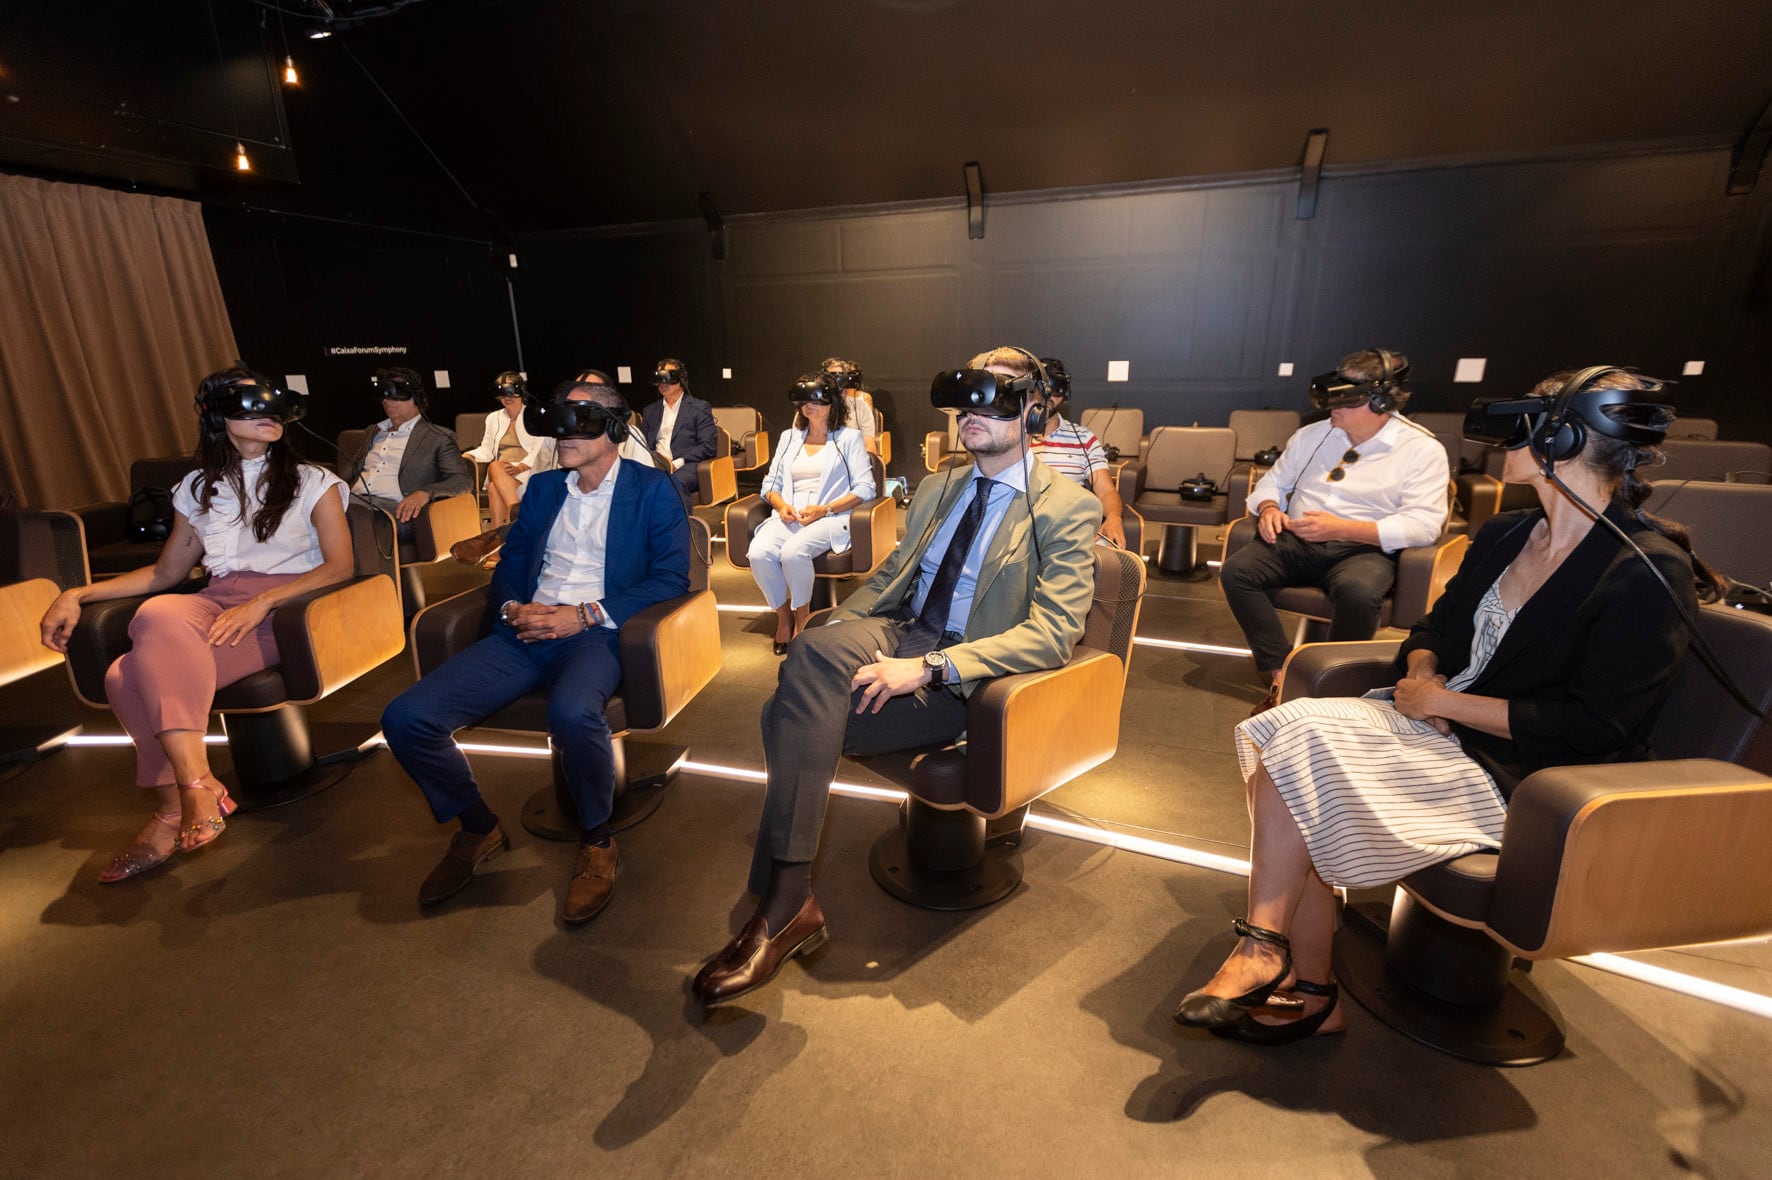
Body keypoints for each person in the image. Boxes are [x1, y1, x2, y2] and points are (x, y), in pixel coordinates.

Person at [1173, 368, 1700, 1044]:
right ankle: (1284, 966)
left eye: (1526, 421)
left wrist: (1449, 703)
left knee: (1296, 748)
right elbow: (1433, 631)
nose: (1501, 441)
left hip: (1527, 777)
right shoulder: (1509, 534)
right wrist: (1424, 678)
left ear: (1564, 437)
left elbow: (1597, 726)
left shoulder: (1646, 569)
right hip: (1439, 728)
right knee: (1281, 731)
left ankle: (1287, 969)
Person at [692, 346, 1100, 1007]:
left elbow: (1054, 633)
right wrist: (835, 634)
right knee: (814, 654)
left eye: (993, 396)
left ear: (1034, 410)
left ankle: (784, 898)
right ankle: (789, 900)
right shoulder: (941, 484)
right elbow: (891, 577)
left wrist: (933, 667)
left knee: (785, 710)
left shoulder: (1067, 507)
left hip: (971, 675)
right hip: (898, 631)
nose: (971, 410)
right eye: (965, 395)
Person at [381, 379, 690, 923]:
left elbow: (671, 577)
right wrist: (510, 610)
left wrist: (584, 614)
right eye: (561, 419)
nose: (565, 433)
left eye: (583, 419)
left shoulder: (650, 487)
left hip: (596, 632)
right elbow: (514, 563)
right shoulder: (545, 489)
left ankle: (597, 841)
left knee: (572, 711)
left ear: (615, 430)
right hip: (523, 632)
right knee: (406, 717)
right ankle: (477, 827)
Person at [38, 367, 352, 882]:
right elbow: (166, 574)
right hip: (214, 601)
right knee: (160, 610)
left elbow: (339, 565)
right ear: (218, 417)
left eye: (276, 409)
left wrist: (263, 602)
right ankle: (196, 780)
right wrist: (76, 592)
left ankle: (168, 811)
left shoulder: (314, 479)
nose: (270, 417)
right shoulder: (198, 486)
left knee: (123, 674)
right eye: (254, 409)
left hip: (286, 609)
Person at [1219, 349, 1450, 714]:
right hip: (1297, 539)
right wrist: (1268, 508)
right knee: (1236, 571)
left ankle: (1332, 685)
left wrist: (1344, 528)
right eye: (1332, 399)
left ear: (1381, 400)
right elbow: (1272, 483)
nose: (1333, 409)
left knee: (1358, 592)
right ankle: (1282, 674)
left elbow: (1424, 525)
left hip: (1364, 549)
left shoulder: (1421, 449)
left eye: (1346, 402)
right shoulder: (1312, 436)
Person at [748, 373, 876, 655]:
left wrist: (825, 509)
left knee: (794, 552)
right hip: (790, 514)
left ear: (832, 402)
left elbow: (866, 488)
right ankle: (784, 616)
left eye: (816, 399)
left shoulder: (849, 439)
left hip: (831, 516)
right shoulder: (789, 438)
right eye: (804, 400)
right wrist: (781, 506)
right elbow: (770, 484)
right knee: (759, 552)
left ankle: (802, 619)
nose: (809, 405)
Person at [339, 367, 474, 538]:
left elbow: (462, 481)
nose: (386, 401)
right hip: (355, 502)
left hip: (396, 510)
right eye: (383, 395)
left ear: (415, 397)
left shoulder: (438, 437)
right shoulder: (373, 432)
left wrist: (425, 493)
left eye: (395, 394)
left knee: (344, 517)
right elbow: (349, 471)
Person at [1028, 356, 1130, 548]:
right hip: (1024, 524)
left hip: (1070, 525)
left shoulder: (1084, 438)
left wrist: (1114, 517)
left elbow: (1106, 490)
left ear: (1065, 395)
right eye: (1043, 391)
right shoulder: (1013, 435)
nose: (1049, 399)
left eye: (1056, 393)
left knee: (1106, 546)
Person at [464, 370, 546, 528]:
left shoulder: (533, 415)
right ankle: (513, 523)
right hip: (502, 472)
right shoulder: (493, 418)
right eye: (502, 393)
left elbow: (540, 447)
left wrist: (520, 466)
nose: (507, 398)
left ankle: (508, 523)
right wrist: (468, 455)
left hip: (527, 470)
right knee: (495, 473)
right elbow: (487, 450)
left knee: (494, 483)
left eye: (511, 392)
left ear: (520, 392)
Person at [638, 358, 718, 500]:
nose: (663, 383)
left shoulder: (699, 408)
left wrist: (676, 463)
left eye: (667, 377)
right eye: (660, 378)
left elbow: (708, 446)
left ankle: (679, 522)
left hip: (685, 465)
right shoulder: (650, 411)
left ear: (680, 379)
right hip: (655, 464)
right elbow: (642, 443)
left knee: (672, 484)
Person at [821, 357, 880, 455]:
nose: (841, 386)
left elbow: (869, 447)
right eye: (834, 379)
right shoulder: (810, 408)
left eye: (844, 379)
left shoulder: (862, 408)